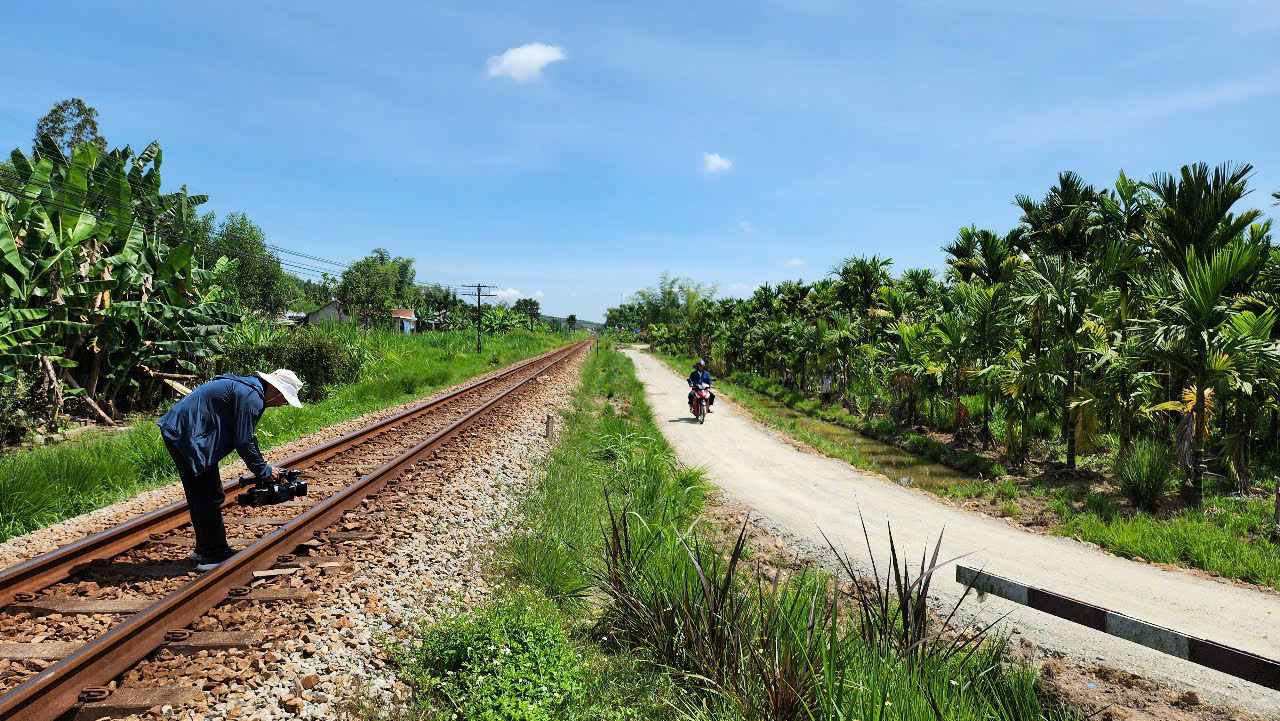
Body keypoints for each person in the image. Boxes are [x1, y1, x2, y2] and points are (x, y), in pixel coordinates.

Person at [157, 369, 304, 571]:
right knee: (207, 496)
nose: (282, 404)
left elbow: (246, 437)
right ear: (277, 390)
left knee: (207, 494)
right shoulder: (253, 397)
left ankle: (205, 550)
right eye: (285, 399)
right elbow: (243, 441)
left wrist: (263, 468)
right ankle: (211, 555)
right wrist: (264, 471)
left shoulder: (249, 390)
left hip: (184, 433)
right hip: (186, 436)